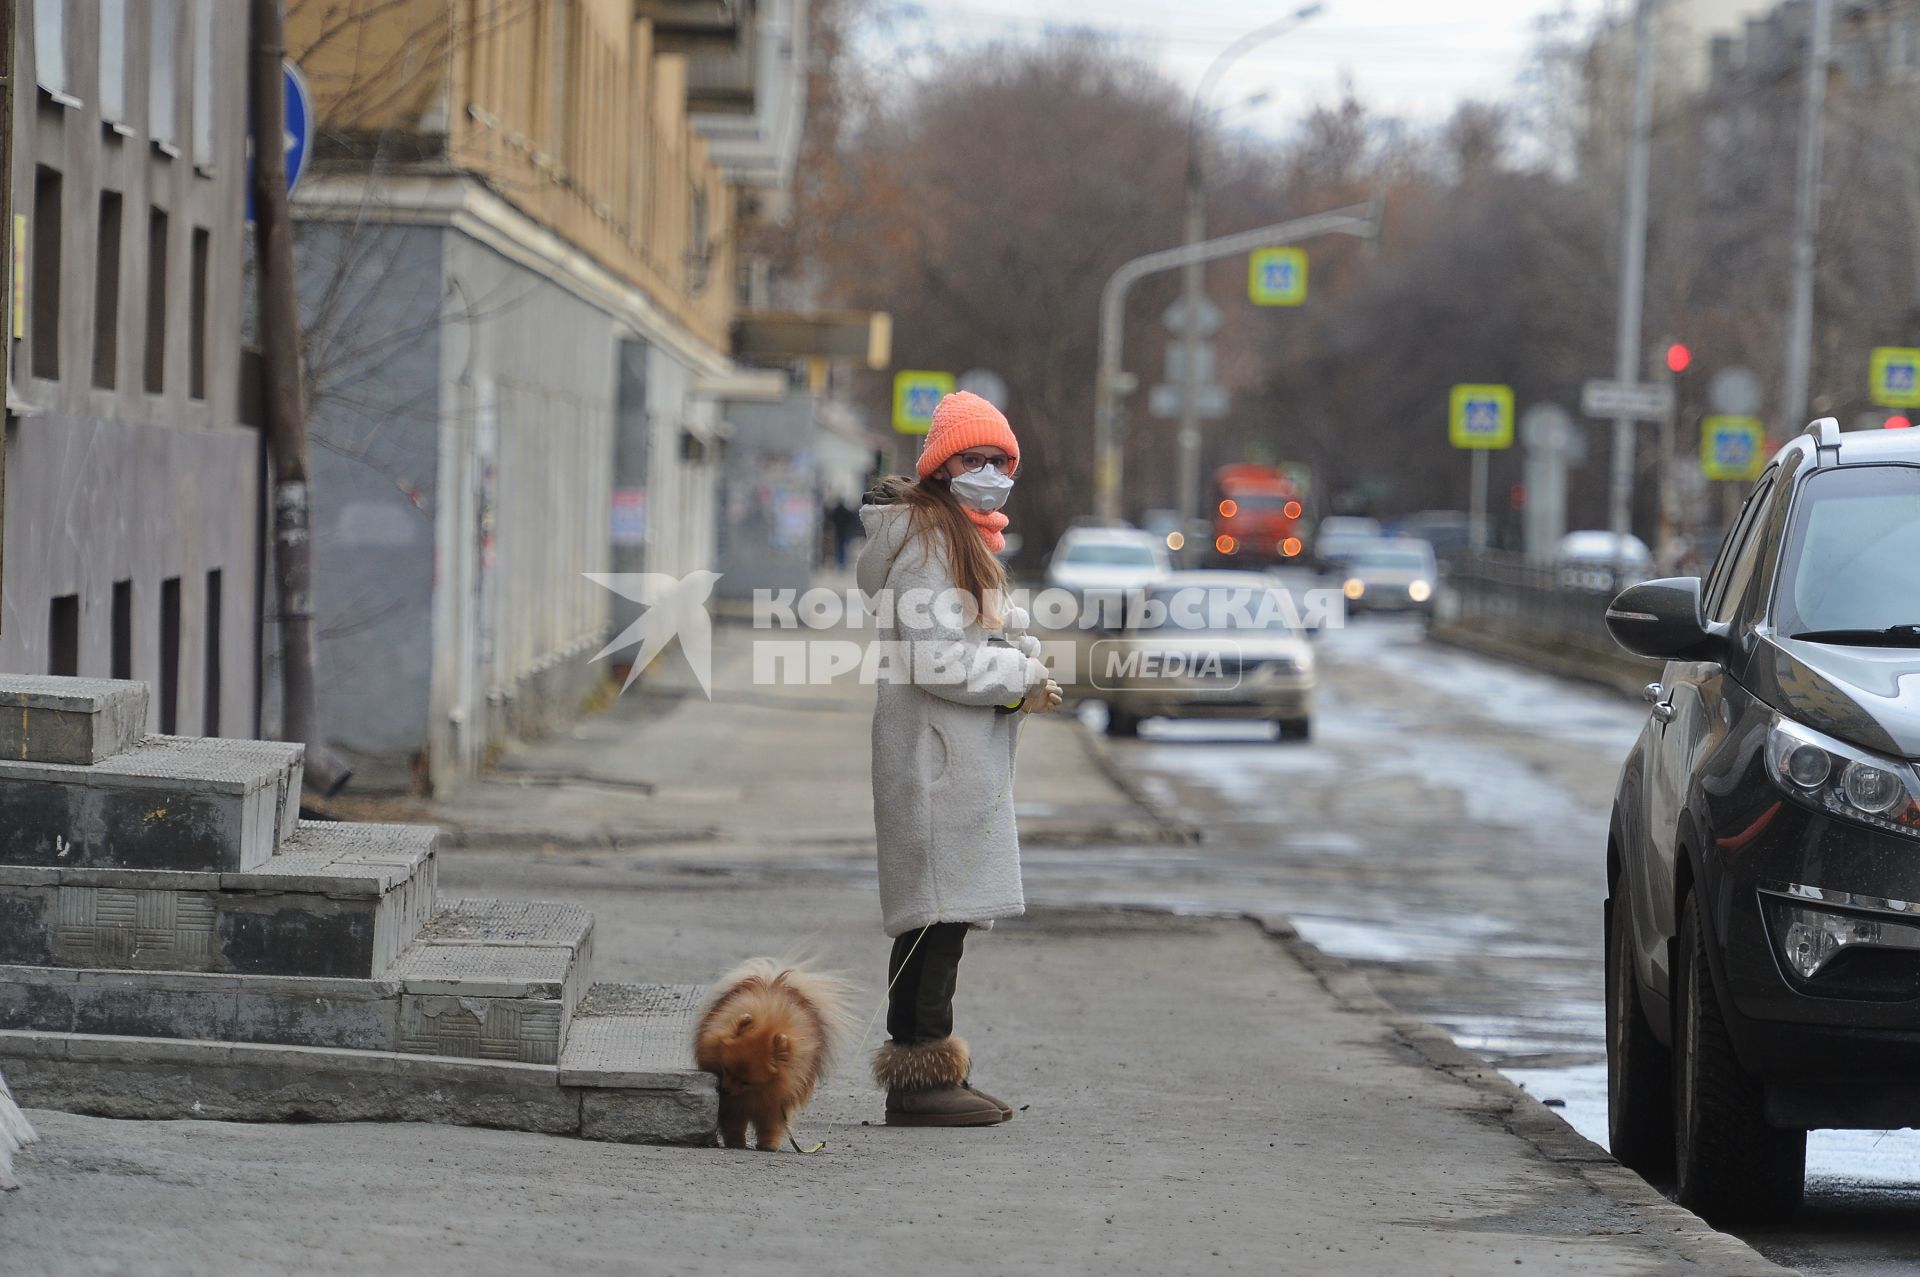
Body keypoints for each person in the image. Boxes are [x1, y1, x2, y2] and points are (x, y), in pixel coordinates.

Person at [855, 391, 1062, 1127]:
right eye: (975, 459)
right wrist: (1020, 681)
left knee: (942, 915)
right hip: (934, 757)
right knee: (936, 916)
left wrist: (1024, 659)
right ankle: (920, 1075)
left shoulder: (957, 535)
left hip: (945, 754)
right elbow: (941, 660)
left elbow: (978, 634)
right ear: (943, 464)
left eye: (1000, 461)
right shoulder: (929, 541)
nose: (991, 473)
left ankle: (927, 1068)